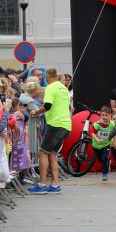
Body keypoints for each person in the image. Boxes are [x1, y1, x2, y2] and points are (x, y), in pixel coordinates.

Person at [30, 66, 71, 194]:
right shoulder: (63, 88)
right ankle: (54, 185)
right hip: (66, 124)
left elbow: (47, 105)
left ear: (47, 76)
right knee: (52, 153)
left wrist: (36, 112)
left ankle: (42, 184)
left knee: (42, 152)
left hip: (55, 124)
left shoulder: (51, 87)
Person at [91, 106, 116, 182]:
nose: (104, 117)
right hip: (96, 145)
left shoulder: (112, 124)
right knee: (100, 159)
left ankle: (104, 175)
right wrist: (97, 139)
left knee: (104, 157)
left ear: (110, 115)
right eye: (102, 115)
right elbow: (93, 133)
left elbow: (114, 134)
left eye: (106, 115)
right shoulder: (97, 124)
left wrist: (115, 143)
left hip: (106, 144)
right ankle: (107, 163)